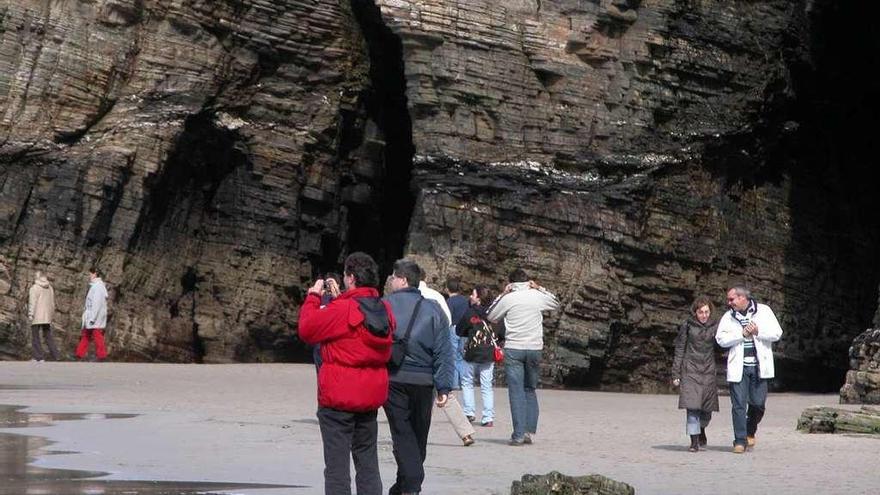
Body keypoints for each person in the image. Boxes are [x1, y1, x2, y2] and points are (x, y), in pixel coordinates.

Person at [298, 252, 395, 495]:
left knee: (337, 466)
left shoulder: (343, 309)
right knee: (367, 463)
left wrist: (313, 296)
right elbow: (359, 319)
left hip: (339, 397)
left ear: (350, 277)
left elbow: (307, 329)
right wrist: (342, 297)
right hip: (369, 396)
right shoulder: (384, 310)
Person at [384, 259, 455, 495]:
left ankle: (411, 483)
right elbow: (444, 351)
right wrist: (444, 387)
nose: (391, 281)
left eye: (393, 277)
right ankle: (405, 485)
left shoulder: (384, 305)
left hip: (393, 377)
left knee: (402, 432)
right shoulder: (434, 309)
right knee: (418, 434)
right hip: (424, 382)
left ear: (403, 279)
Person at [487, 268, 560, 445]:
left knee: (516, 391)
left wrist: (502, 294)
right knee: (530, 388)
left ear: (511, 283)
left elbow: (491, 315)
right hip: (534, 348)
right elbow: (556, 303)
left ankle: (518, 434)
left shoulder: (508, 298)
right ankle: (528, 431)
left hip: (514, 348)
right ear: (529, 281)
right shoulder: (537, 296)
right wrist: (540, 288)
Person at [715, 285, 783, 454]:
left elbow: (777, 333)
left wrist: (758, 331)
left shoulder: (764, 311)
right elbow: (720, 339)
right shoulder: (728, 317)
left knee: (758, 404)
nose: (729, 302)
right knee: (738, 405)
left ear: (742, 298)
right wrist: (742, 335)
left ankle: (749, 430)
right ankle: (739, 440)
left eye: (732, 299)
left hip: (760, 366)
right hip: (739, 367)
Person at [671, 296, 719, 452]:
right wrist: (675, 374)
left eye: (706, 312)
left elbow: (723, 346)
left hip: (708, 371)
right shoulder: (687, 326)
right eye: (701, 312)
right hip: (690, 370)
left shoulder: (716, 326)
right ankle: (694, 442)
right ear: (695, 313)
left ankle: (702, 429)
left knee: (707, 410)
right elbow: (679, 349)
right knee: (692, 408)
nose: (704, 315)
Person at [456, 285, 501, 427]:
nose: (471, 296)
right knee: (487, 385)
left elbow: (459, 330)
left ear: (479, 299)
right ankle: (488, 417)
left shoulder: (470, 313)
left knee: (467, 381)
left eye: (473, 294)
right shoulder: (495, 314)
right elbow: (501, 332)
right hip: (488, 353)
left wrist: (469, 333)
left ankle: (469, 412)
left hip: (472, 352)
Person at [75, 268, 108, 361]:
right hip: (93, 316)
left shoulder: (97, 287)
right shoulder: (97, 286)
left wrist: (92, 318)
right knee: (86, 335)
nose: (89, 275)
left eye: (90, 274)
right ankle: (79, 354)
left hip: (94, 316)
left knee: (96, 336)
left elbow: (96, 303)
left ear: (95, 274)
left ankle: (101, 356)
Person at [312, 272, 342, 371]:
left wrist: (338, 296)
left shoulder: (343, 300)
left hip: (335, 345)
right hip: (319, 344)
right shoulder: (319, 299)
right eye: (327, 284)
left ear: (338, 285)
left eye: (332, 283)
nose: (329, 287)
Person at [28, 271, 59, 361]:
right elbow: (52, 303)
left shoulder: (34, 288)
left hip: (37, 315)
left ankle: (38, 356)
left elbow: (32, 303)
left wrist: (31, 314)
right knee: (48, 336)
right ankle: (56, 355)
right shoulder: (50, 288)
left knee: (35, 336)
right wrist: (51, 315)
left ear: (37, 277)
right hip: (47, 316)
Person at [445, 277, 469, 393]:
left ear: (447, 289)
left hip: (454, 329)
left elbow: (447, 318)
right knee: (462, 356)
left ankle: (454, 383)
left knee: (453, 356)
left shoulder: (449, 302)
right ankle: (463, 382)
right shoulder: (465, 300)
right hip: (465, 330)